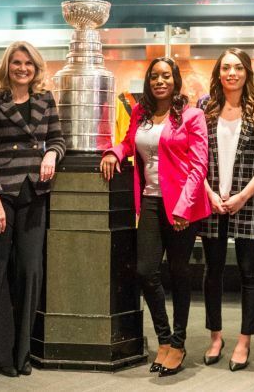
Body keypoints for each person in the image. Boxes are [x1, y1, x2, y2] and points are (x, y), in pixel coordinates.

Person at [100, 57, 210, 377]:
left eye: (166, 76)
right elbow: (127, 143)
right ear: (148, 82)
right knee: (146, 270)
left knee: (178, 273)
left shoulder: (192, 116)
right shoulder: (140, 113)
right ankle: (164, 338)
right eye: (154, 77)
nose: (160, 81)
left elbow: (199, 164)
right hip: (149, 201)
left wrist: (183, 207)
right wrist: (114, 153)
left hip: (181, 206)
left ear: (175, 80)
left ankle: (178, 341)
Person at [0, 41, 66, 377]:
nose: (23, 68)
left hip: (34, 194)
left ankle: (22, 354)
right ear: (7, 66)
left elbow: (58, 139)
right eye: (16, 62)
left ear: (36, 67)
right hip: (1, 197)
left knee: (30, 271)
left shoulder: (45, 100)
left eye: (28, 63)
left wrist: (51, 154)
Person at [197, 48, 254, 371]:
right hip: (211, 201)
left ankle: (245, 339)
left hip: (249, 201)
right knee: (212, 272)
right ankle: (216, 336)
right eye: (226, 68)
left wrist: (243, 196)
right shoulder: (205, 107)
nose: (232, 73)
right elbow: (195, 155)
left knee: (249, 272)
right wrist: (208, 192)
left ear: (247, 72)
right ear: (219, 73)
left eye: (238, 68)